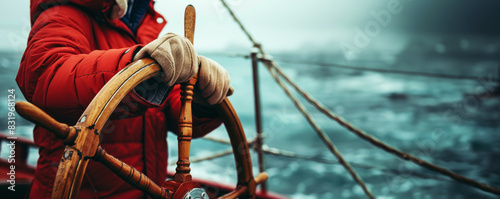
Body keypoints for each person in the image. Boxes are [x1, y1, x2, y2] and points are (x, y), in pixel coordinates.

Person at [16, 0, 232, 198]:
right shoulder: (63, 11)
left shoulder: (141, 27)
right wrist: (132, 65)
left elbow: (168, 109)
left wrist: (199, 100)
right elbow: (46, 76)